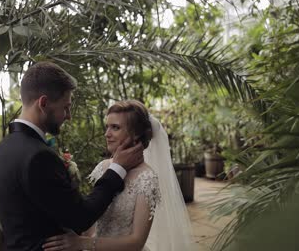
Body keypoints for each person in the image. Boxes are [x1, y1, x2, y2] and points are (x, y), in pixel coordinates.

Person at [0, 62, 145, 251]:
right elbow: (81, 218)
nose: (68, 115)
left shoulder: (1, 148)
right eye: (66, 107)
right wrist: (118, 168)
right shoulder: (39, 156)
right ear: (44, 103)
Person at [43, 100, 193, 251]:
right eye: (107, 126)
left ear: (136, 134)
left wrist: (83, 243)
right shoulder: (103, 167)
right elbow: (92, 217)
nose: (107, 134)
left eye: (115, 127)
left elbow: (136, 242)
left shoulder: (146, 179)